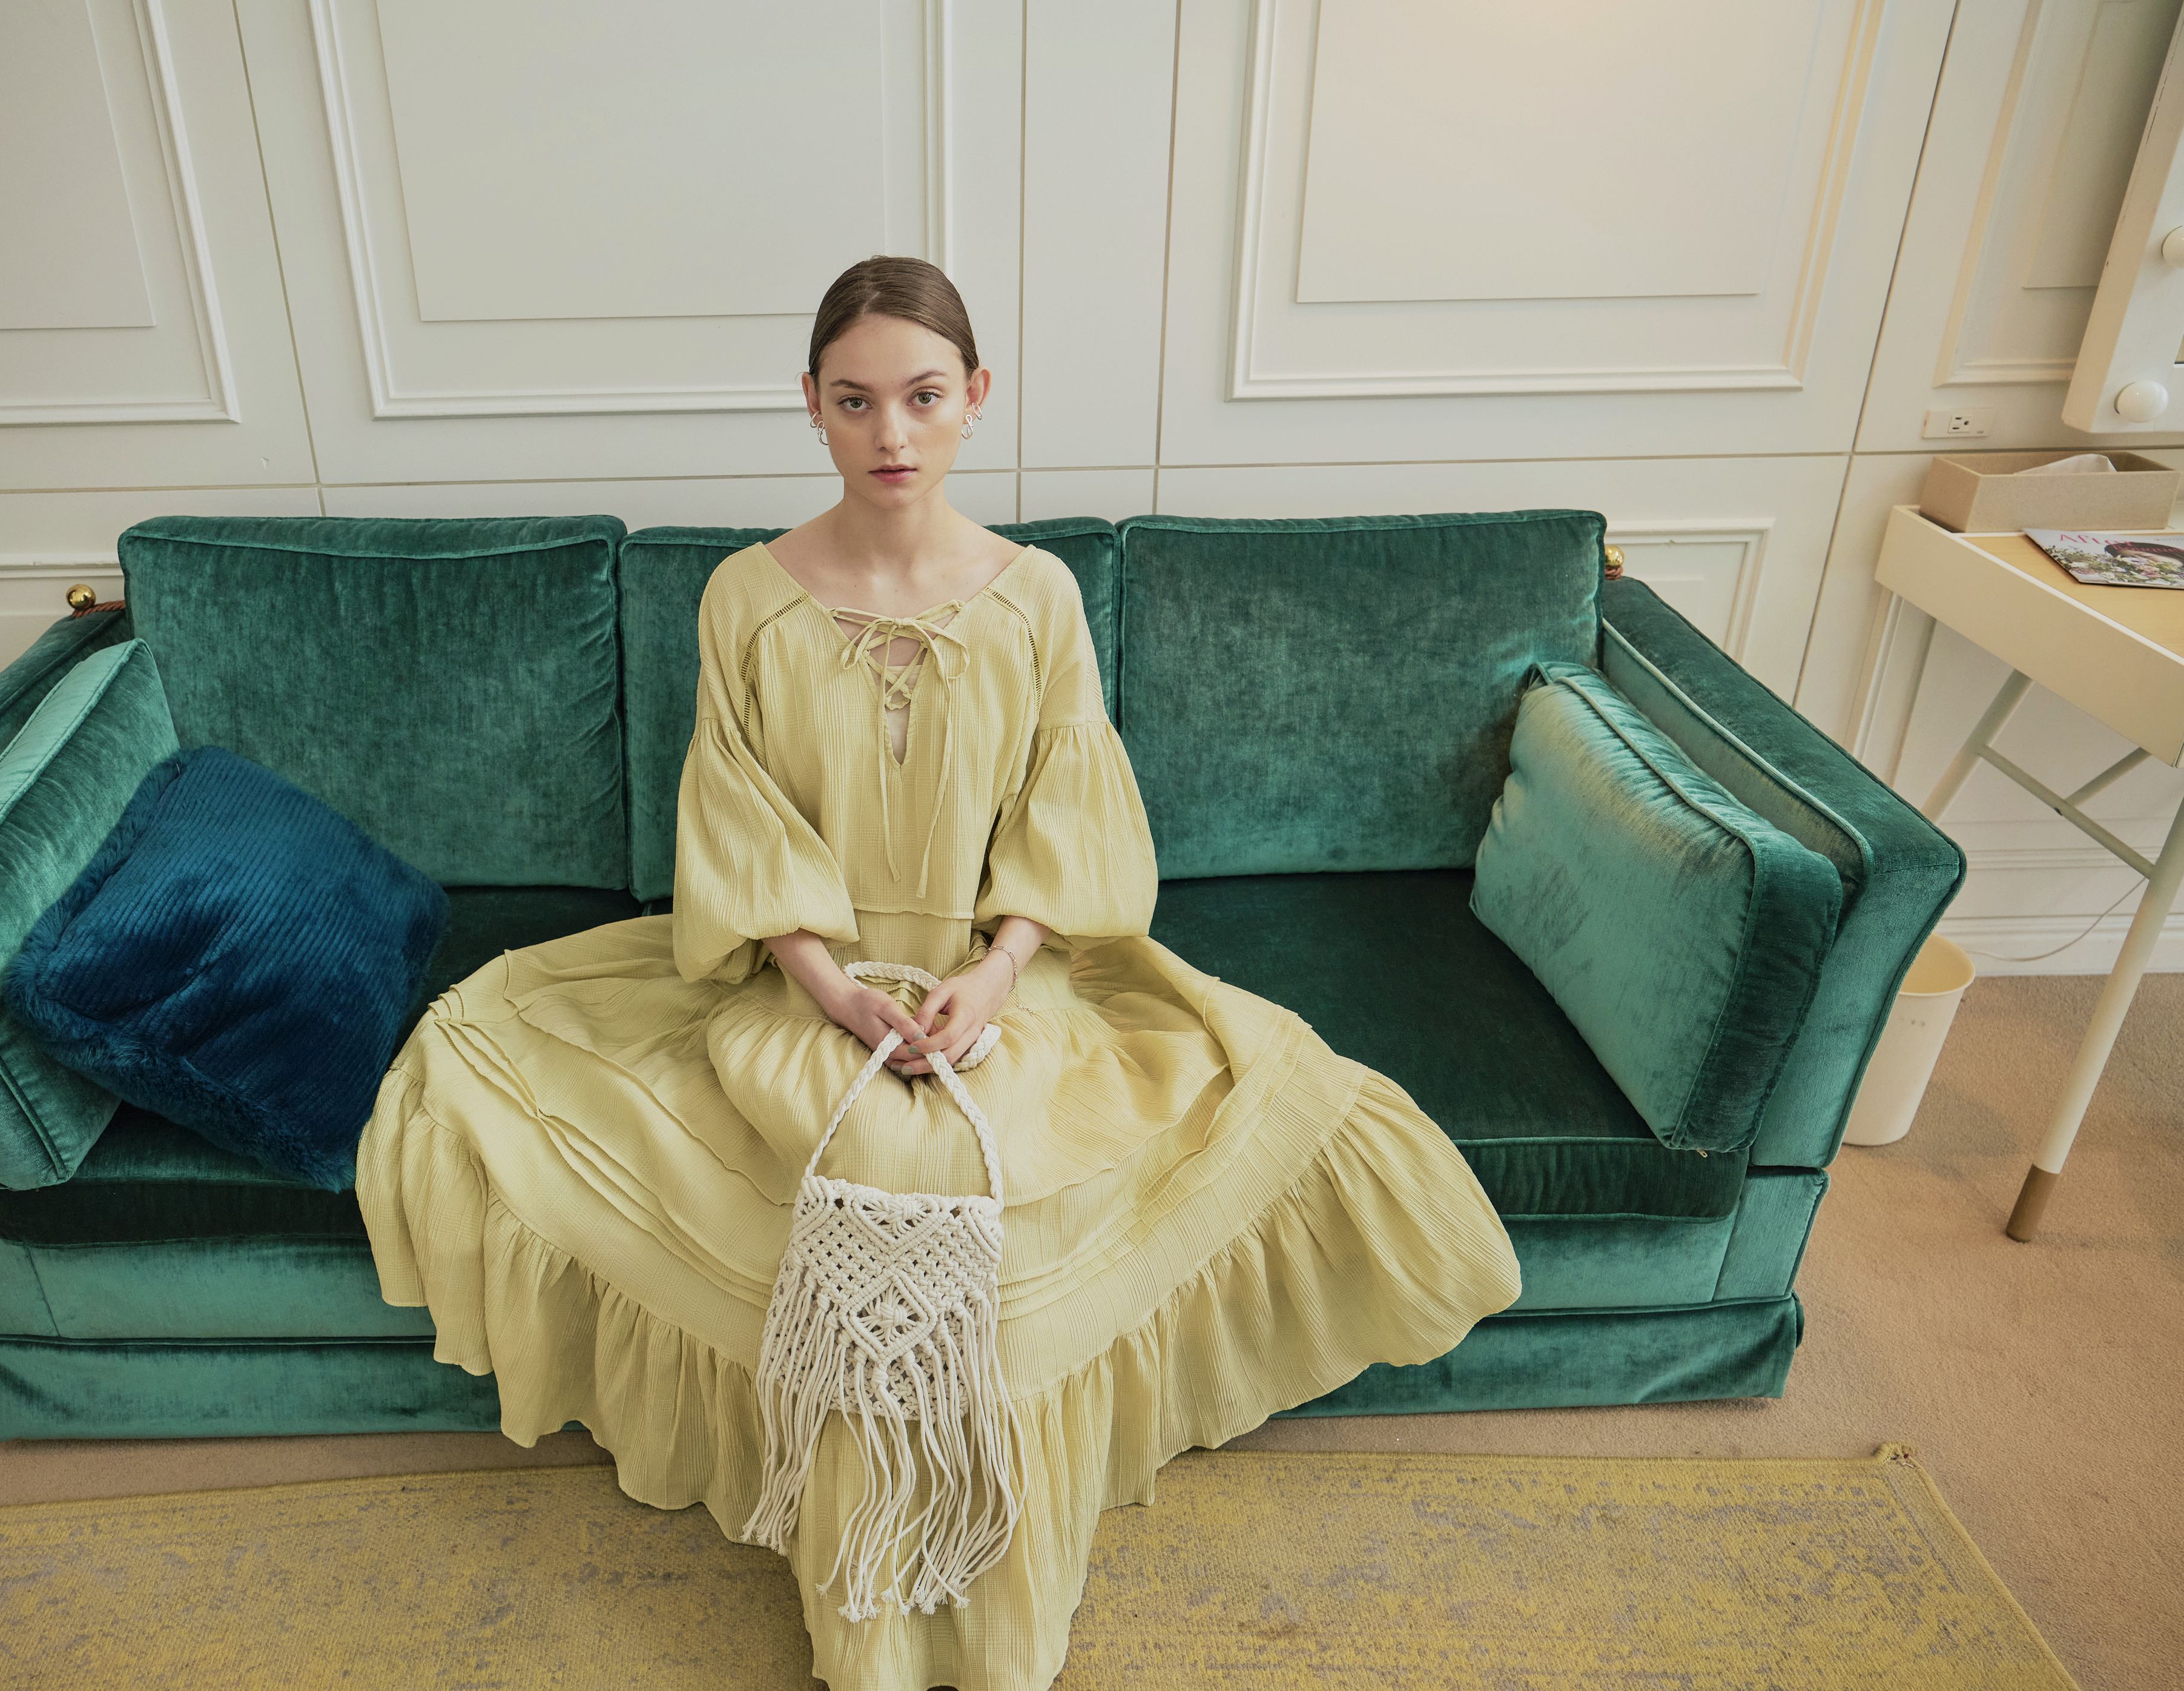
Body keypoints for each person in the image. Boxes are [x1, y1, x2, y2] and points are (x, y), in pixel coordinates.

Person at [357, 255, 1522, 1691]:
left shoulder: (1039, 599)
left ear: (975, 396)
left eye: (920, 397)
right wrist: (831, 988)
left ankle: (978, 1590)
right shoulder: (742, 597)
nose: (890, 433)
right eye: (854, 401)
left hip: (1005, 982)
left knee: (996, 1174)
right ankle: (871, 1602)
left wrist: (999, 970)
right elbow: (738, 824)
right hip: (797, 983)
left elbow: (1066, 816)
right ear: (810, 405)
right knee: (856, 1170)